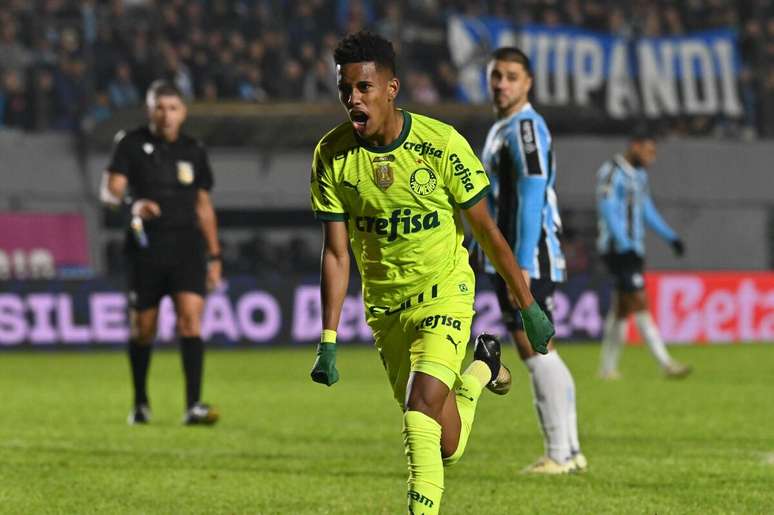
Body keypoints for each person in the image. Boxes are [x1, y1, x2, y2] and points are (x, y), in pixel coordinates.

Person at [308, 32, 554, 515]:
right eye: (345, 90)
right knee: (445, 444)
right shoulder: (331, 156)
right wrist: (328, 337)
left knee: (419, 412)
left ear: (392, 87)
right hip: (385, 309)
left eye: (363, 88)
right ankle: (481, 370)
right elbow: (336, 254)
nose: (352, 99)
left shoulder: (441, 145)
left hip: (445, 293)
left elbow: (486, 231)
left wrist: (527, 306)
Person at [479, 47, 586, 474]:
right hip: (511, 257)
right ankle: (570, 451)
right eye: (496, 76)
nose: (502, 83)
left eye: (510, 76)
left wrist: (520, 264)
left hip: (530, 256)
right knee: (536, 349)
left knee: (536, 348)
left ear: (527, 83)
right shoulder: (501, 129)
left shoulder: (524, 128)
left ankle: (559, 453)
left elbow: (532, 192)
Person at [100, 80, 221, 425]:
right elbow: (109, 192)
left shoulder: (194, 150)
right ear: (148, 110)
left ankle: (193, 405)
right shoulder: (131, 144)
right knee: (143, 329)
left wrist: (214, 256)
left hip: (187, 248)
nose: (165, 115)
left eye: (172, 108)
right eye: (159, 107)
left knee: (190, 321)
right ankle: (140, 402)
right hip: (146, 249)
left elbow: (204, 207)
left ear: (182, 113)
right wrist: (132, 204)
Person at [596, 130, 692, 380]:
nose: (652, 157)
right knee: (639, 302)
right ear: (635, 146)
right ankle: (666, 363)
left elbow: (646, 209)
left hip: (633, 249)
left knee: (621, 309)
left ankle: (607, 369)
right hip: (618, 250)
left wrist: (671, 237)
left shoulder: (639, 176)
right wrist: (624, 243)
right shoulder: (612, 171)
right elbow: (607, 209)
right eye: (649, 151)